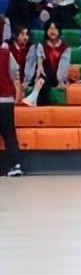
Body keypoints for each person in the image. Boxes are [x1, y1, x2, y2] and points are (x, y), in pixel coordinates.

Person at [27, 21, 70, 106]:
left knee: (45, 75)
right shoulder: (41, 45)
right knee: (44, 73)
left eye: (55, 29)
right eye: (50, 28)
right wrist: (38, 70)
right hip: (42, 75)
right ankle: (41, 103)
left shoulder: (65, 48)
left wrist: (60, 80)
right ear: (46, 31)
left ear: (59, 31)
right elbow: (40, 61)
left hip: (56, 76)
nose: (52, 31)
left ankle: (34, 98)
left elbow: (63, 66)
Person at [0, 18, 22, 177]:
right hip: (6, 99)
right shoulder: (6, 52)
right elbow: (14, 72)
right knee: (9, 133)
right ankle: (15, 165)